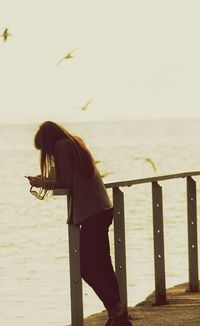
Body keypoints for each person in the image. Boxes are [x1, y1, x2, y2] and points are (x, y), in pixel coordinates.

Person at [26, 121, 132, 326]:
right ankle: (118, 316)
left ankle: (116, 311)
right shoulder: (74, 143)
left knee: (87, 268)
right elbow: (71, 175)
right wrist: (47, 178)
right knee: (103, 264)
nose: (47, 152)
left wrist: (42, 183)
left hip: (91, 213)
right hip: (102, 209)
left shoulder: (60, 147)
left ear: (48, 141)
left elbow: (66, 182)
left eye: (44, 148)